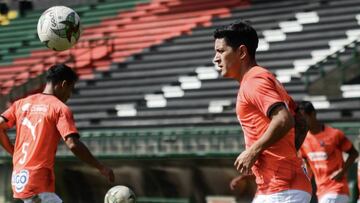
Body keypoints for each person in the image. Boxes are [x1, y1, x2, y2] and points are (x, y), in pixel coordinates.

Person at [213, 21, 312, 202]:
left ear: (242, 52)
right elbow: (301, 121)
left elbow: (284, 119)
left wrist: (253, 151)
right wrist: (285, 157)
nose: (215, 58)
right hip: (277, 187)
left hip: (282, 190)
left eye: (221, 51)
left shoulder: (254, 80)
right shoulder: (261, 78)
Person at [0, 64, 115, 203]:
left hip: (20, 178)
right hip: (38, 179)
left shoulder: (21, 104)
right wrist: (100, 167)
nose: (69, 95)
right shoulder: (59, 108)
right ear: (64, 84)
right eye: (70, 90)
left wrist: (15, 153)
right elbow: (73, 144)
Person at [298, 101, 359, 203]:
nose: (302, 122)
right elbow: (308, 165)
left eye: (304, 118)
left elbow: (354, 153)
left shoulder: (334, 134)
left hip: (337, 189)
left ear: (313, 114)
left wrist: (342, 171)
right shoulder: (304, 141)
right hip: (321, 191)